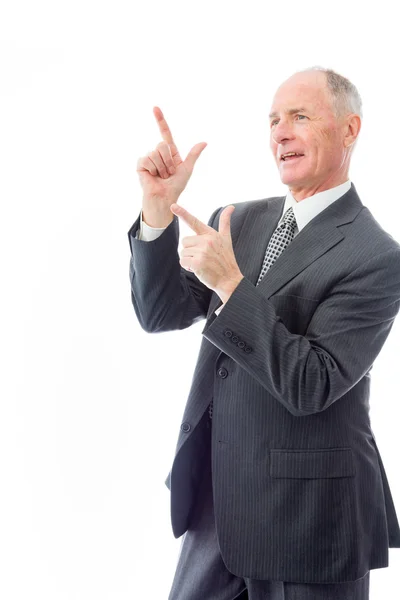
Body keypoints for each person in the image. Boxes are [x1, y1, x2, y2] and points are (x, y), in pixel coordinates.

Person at [127, 66, 400, 600]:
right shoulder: (239, 221)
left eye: (300, 116)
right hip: (217, 507)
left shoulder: (378, 257)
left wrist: (231, 284)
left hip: (310, 523)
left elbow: (312, 383)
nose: (280, 132)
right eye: (273, 120)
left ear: (350, 130)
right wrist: (155, 214)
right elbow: (159, 313)